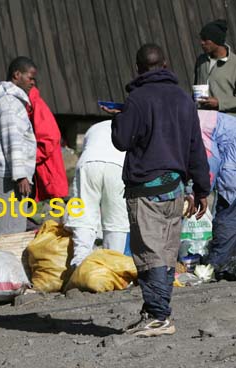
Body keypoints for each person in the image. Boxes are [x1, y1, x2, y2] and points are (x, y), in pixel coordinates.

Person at [109, 44, 210, 337]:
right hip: (175, 188)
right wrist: (202, 189)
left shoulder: (137, 99)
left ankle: (158, 316)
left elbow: (121, 140)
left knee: (149, 254)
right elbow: (195, 148)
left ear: (138, 68)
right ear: (165, 65)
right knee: (165, 253)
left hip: (146, 189)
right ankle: (158, 313)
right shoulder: (183, 99)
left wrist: (118, 116)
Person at [65, 120, 128, 267]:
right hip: (117, 166)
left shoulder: (95, 127)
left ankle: (80, 260)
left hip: (88, 163)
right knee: (116, 219)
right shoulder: (131, 124)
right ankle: (113, 264)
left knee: (84, 213)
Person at [0, 56, 38, 235]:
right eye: (30, 77)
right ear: (17, 75)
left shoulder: (12, 102)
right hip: (11, 176)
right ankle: (6, 262)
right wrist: (21, 175)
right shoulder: (10, 104)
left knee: (8, 224)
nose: (33, 82)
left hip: (11, 174)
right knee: (11, 229)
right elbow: (12, 141)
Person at [197, 110, 236, 269]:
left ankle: (215, 265)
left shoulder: (195, 125)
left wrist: (201, 192)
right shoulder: (199, 116)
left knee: (226, 218)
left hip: (231, 173)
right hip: (230, 165)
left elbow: (210, 160)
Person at [27, 86, 68, 202]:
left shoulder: (36, 105)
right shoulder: (28, 104)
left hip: (49, 176)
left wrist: (29, 158)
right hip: (41, 174)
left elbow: (49, 138)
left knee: (52, 216)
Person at [194, 19, 236, 115]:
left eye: (205, 39)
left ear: (216, 40)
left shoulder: (234, 64)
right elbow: (197, 87)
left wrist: (219, 103)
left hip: (227, 124)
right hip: (203, 120)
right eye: (201, 39)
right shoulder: (201, 60)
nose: (202, 42)